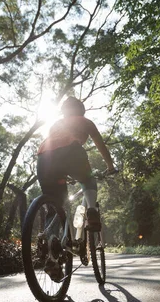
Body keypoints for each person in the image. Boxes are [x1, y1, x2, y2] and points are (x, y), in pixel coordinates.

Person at [37, 96, 116, 232]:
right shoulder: (85, 121)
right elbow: (100, 145)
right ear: (81, 110)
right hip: (71, 151)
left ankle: (49, 241)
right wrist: (110, 166)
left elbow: (54, 148)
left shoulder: (56, 124)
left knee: (55, 203)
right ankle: (91, 211)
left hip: (43, 157)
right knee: (88, 178)